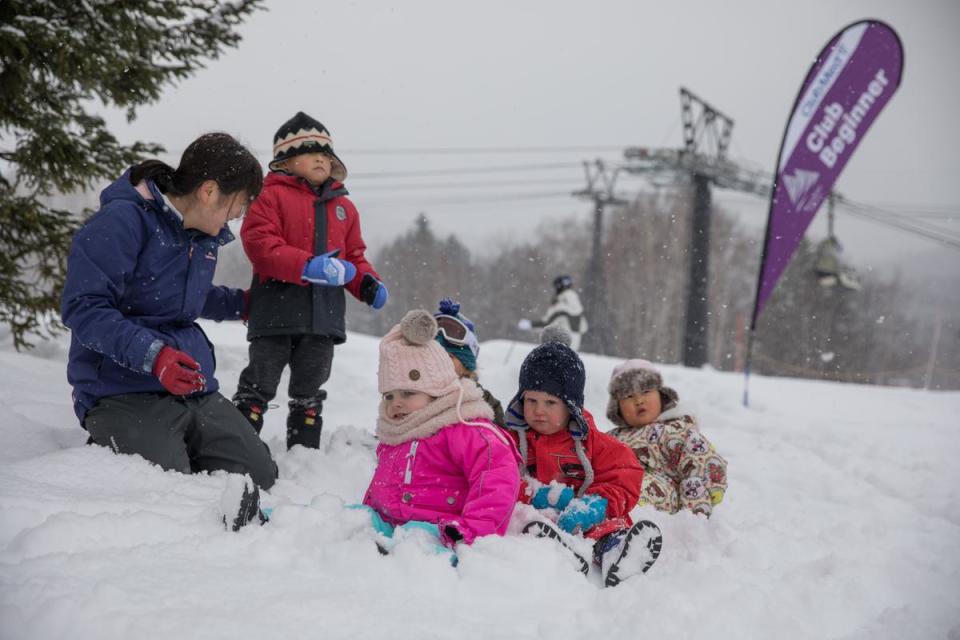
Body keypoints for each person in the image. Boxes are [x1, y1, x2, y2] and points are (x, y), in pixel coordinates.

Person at [61, 132, 278, 530]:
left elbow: (179, 296)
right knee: (165, 486)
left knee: (259, 474)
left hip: (191, 386)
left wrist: (241, 305)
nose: (237, 216)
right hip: (119, 389)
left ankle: (174, 440)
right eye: (238, 204)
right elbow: (84, 307)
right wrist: (153, 356)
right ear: (209, 191)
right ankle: (111, 441)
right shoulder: (122, 223)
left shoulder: (201, 236)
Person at [233, 111, 388, 451]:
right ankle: (236, 448)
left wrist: (367, 283)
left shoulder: (344, 207)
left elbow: (354, 258)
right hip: (276, 313)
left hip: (323, 319)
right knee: (260, 381)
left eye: (326, 153)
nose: (321, 157)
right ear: (285, 162)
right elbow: (261, 246)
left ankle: (305, 455)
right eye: (309, 150)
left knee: (311, 387)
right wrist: (308, 266)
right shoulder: (269, 197)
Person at [359, 310, 521, 562]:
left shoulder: (464, 428)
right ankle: (296, 525)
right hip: (390, 523)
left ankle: (421, 561)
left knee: (418, 540)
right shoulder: (399, 431)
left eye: (408, 394)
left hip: (439, 528)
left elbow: (497, 476)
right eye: (389, 396)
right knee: (353, 519)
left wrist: (472, 531)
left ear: (437, 391)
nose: (396, 404)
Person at [504, 328, 661, 586]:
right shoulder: (511, 439)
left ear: (571, 405)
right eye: (531, 400)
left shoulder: (592, 443)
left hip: (585, 518)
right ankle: (555, 550)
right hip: (535, 516)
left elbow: (625, 473)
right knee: (521, 519)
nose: (538, 411)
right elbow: (496, 475)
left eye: (550, 403)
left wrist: (598, 505)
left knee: (610, 525)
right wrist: (530, 494)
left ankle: (617, 553)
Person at [606, 359, 728, 518]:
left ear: (662, 396)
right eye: (629, 396)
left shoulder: (677, 430)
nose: (639, 400)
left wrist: (696, 510)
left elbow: (703, 462)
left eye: (646, 391)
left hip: (660, 493)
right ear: (618, 408)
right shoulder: (612, 438)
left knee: (634, 488)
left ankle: (631, 524)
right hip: (613, 488)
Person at [433, 297, 505, 428]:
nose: (440, 360)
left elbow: (501, 441)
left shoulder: (484, 401)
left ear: (466, 366)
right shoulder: (416, 395)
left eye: (449, 356)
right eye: (434, 354)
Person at [518, 275, 588, 351]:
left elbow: (547, 323)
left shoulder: (562, 304)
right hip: (573, 344)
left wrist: (530, 324)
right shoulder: (576, 305)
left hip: (561, 344)